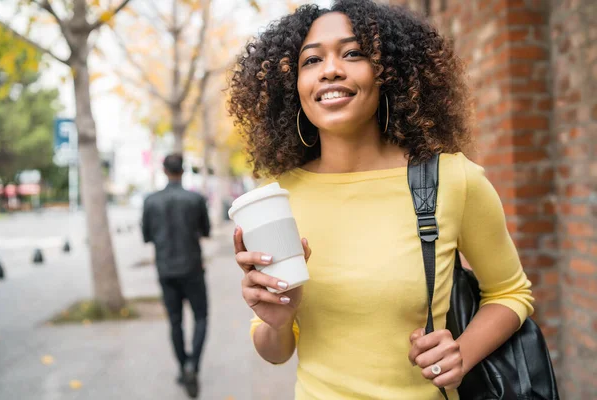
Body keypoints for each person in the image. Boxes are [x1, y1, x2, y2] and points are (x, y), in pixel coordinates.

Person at [227, 1, 535, 399]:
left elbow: (511, 292)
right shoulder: (276, 201)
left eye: (353, 53)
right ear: (295, 87)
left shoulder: (452, 181)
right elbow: (274, 352)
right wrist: (278, 321)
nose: (330, 69)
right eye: (311, 60)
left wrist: (462, 352)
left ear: (388, 72)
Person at [142, 154, 210, 399]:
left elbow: (147, 235)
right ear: (182, 171)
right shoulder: (195, 199)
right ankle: (193, 365)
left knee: (175, 321)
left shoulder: (150, 201)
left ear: (164, 170)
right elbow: (206, 230)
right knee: (201, 317)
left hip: (166, 269)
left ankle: (183, 367)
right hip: (192, 267)